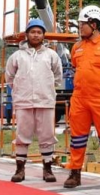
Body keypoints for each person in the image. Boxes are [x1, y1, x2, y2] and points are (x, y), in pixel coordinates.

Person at [63, 5, 100, 189]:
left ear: (94, 24)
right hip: (79, 99)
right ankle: (75, 173)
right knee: (78, 138)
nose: (79, 28)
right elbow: (75, 69)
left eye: (82, 24)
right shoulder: (77, 47)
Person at [5, 18, 63, 183]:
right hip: (23, 102)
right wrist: (19, 89)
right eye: (33, 32)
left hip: (45, 101)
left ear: (43, 35)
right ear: (27, 34)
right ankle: (20, 169)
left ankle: (48, 169)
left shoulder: (51, 55)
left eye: (39, 32)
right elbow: (9, 76)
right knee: (22, 135)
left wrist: (47, 88)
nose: (36, 35)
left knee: (47, 135)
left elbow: (57, 76)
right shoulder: (17, 56)